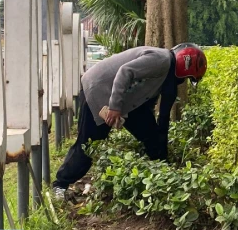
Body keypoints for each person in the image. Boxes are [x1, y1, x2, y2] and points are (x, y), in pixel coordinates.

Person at [51, 43, 207, 200]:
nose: (185, 81)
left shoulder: (169, 79)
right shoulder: (162, 60)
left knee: (151, 135)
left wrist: (163, 155)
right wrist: (114, 107)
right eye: (188, 77)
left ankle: (161, 179)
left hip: (125, 100)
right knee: (90, 143)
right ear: (185, 65)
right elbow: (125, 72)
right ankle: (60, 185)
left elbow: (161, 118)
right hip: (100, 89)